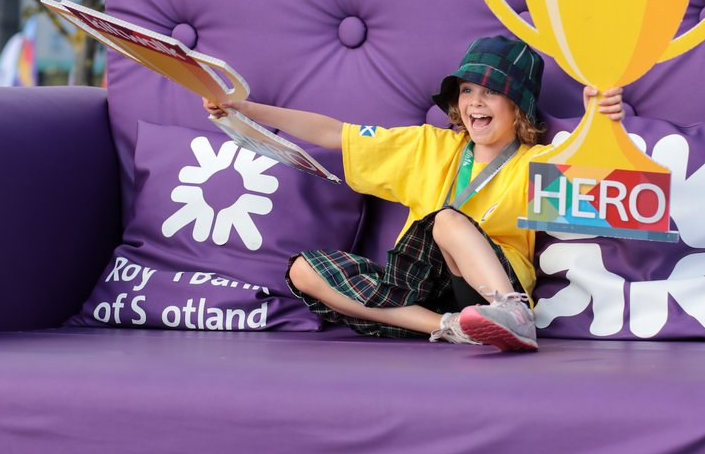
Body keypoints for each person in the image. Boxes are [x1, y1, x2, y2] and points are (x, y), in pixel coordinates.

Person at [203, 35, 624, 352]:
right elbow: (334, 133)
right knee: (303, 271)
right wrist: (244, 109)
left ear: (519, 108)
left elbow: (600, 181)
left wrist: (601, 118)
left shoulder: (535, 162)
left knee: (445, 220)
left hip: (492, 283)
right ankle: (449, 327)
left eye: (491, 92)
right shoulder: (429, 146)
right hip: (423, 288)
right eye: (467, 91)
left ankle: (513, 313)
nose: (475, 102)